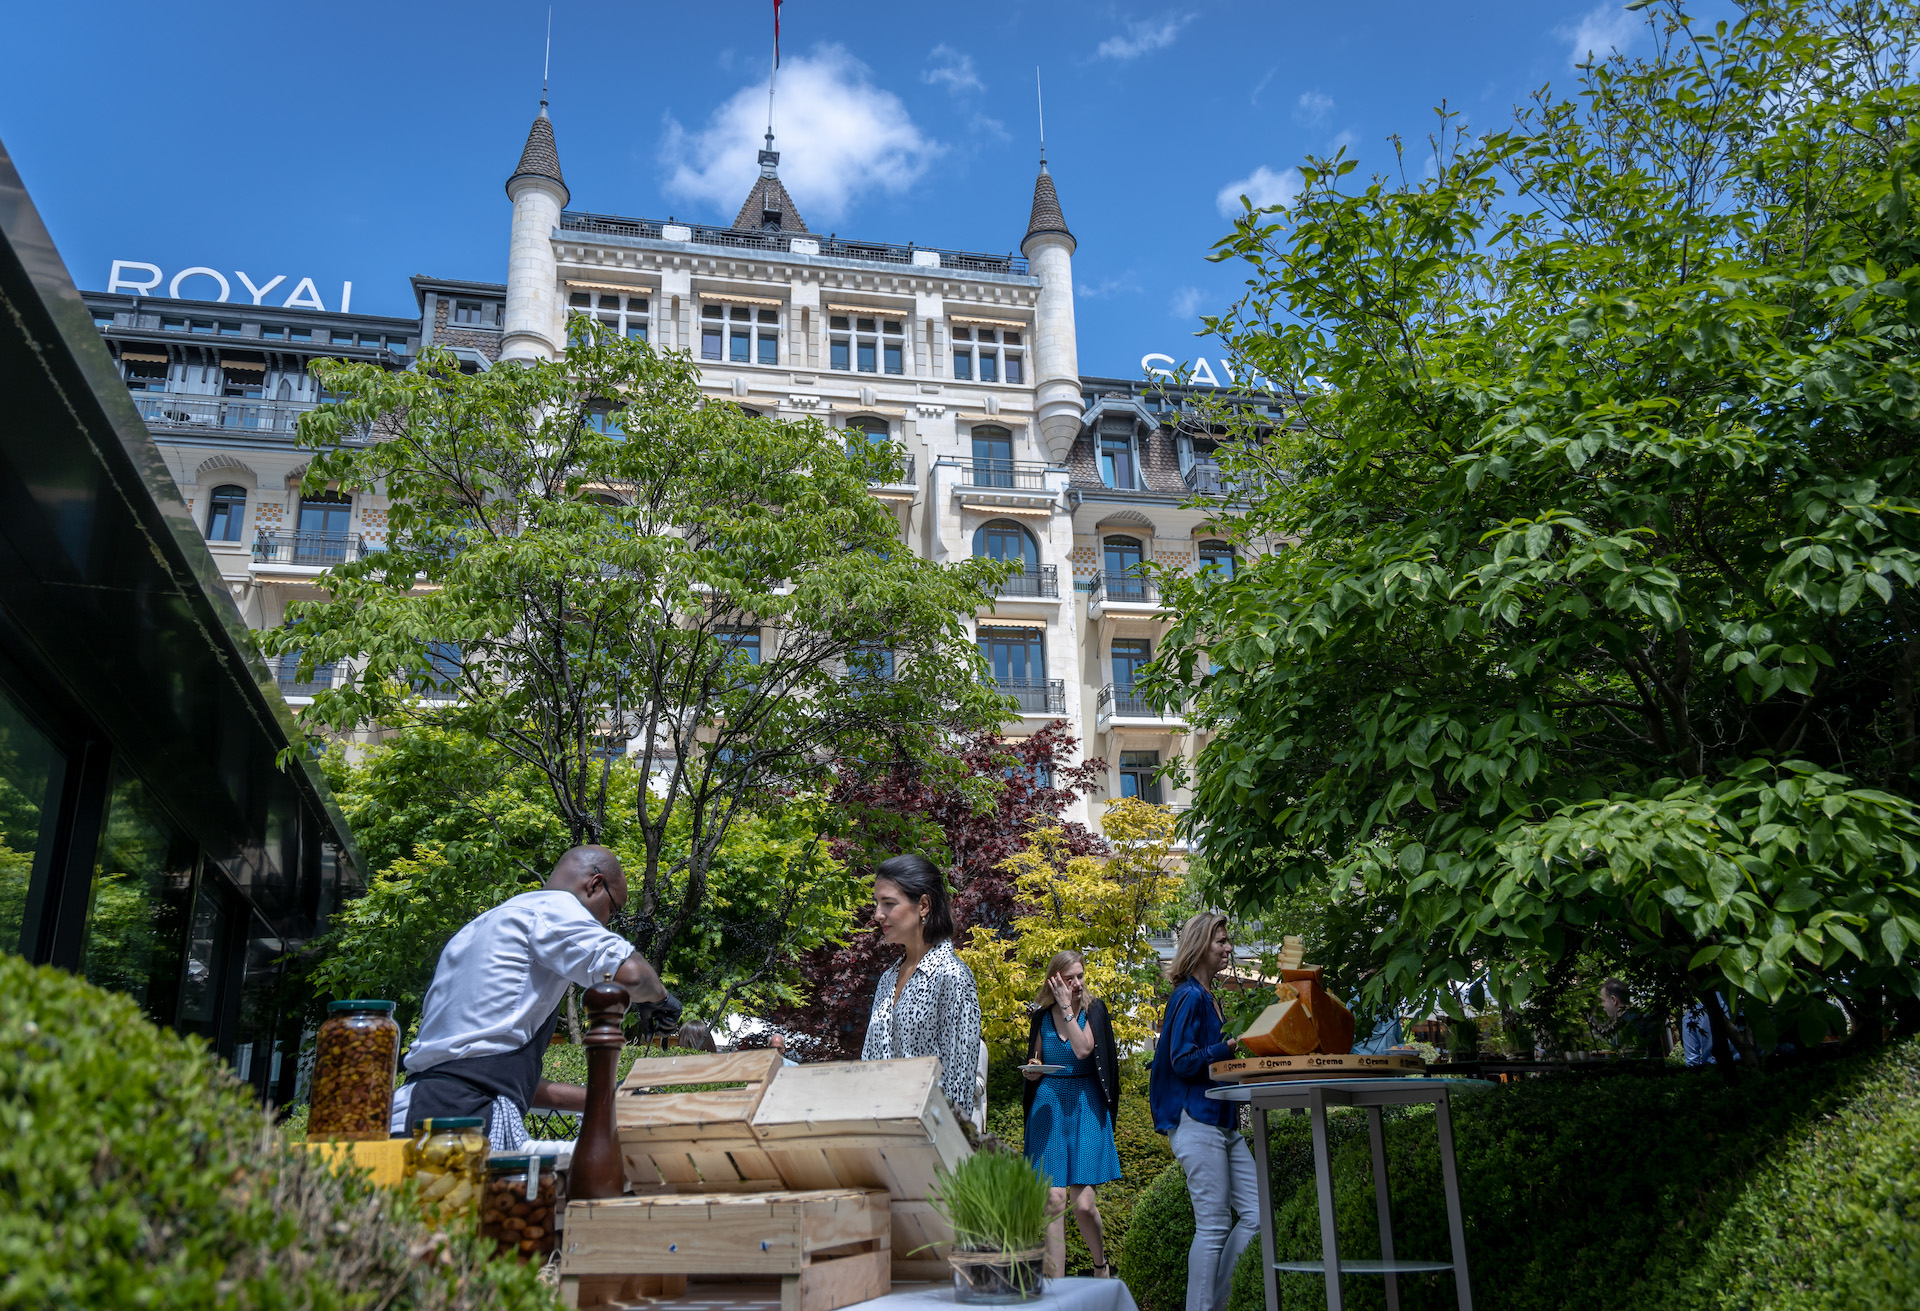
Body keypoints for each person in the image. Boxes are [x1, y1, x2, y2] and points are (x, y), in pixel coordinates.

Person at [394, 845, 681, 1141]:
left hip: (412, 1110)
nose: (608, 924)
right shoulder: (552, 910)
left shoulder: (477, 929)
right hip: (465, 1121)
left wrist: (609, 1096)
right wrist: (659, 1000)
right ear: (595, 885)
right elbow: (633, 975)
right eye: (614, 910)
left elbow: (497, 1079)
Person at [1148, 911, 1254, 1311]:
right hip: (1196, 1119)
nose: (1228, 948)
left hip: (1224, 1123)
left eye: (1227, 942)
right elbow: (1182, 1061)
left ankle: (1217, 1303)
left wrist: (1246, 1123)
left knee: (1256, 1215)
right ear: (1199, 946)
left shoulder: (1211, 998)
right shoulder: (1188, 996)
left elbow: (1229, 1077)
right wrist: (1226, 1048)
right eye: (1221, 942)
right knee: (1212, 1227)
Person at [860, 853, 983, 1121]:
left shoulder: (952, 977)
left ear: (924, 905)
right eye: (877, 903)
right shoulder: (887, 980)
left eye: (889, 903)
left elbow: (958, 1084)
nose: (877, 914)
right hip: (879, 1136)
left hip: (928, 1139)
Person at [1022, 950, 1122, 1279]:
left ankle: (1099, 1264)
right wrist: (1033, 1071)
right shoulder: (1041, 1016)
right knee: (1053, 1201)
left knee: (1082, 1205)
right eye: (1070, 978)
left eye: (1080, 976)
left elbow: (1082, 1049)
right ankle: (1057, 1289)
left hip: (1086, 1103)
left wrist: (1067, 1007)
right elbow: (1036, 1060)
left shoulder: (1094, 1010)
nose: (1077, 983)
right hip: (1049, 1102)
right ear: (1055, 980)